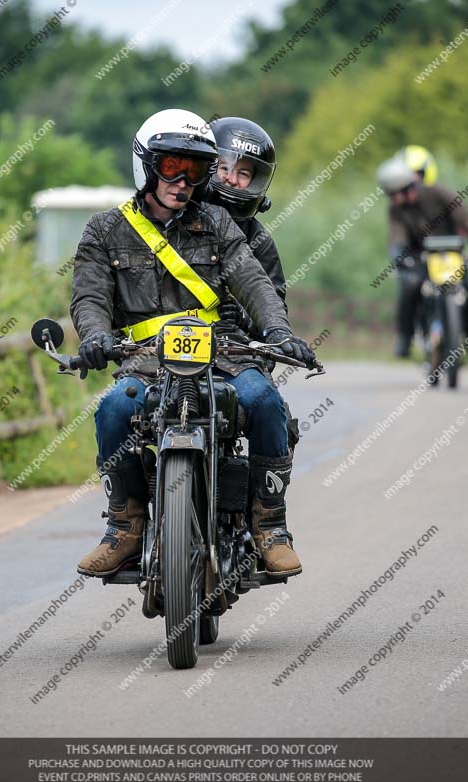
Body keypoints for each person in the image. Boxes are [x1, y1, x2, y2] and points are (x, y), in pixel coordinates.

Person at [71, 109, 316, 581]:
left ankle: (271, 526)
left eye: (196, 170)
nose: (182, 182)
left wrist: (278, 331)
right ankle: (125, 526)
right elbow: (89, 296)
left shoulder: (220, 224)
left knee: (264, 400)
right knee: (113, 410)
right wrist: (96, 337)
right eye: (170, 168)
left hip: (223, 350)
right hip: (144, 359)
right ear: (146, 165)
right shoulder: (104, 230)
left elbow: (255, 283)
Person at [207, 115, 300, 448]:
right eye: (224, 167)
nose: (232, 179)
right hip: (168, 354)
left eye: (244, 173)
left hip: (236, 355)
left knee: (266, 403)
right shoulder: (173, 223)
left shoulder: (259, 242)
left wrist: (245, 320)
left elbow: (273, 301)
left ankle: (267, 495)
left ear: (257, 182)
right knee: (125, 410)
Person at [376, 156, 468, 357]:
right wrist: (398, 256)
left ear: (405, 188)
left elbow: (463, 215)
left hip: (452, 253)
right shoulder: (396, 210)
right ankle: (405, 336)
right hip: (421, 258)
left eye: (393, 194)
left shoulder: (438, 193)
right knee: (410, 285)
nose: (391, 199)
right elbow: (397, 236)